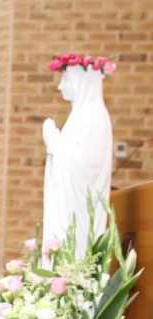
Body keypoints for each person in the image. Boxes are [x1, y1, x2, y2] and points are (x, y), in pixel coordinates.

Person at [42, 54, 113, 257]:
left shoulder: (94, 115)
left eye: (66, 80)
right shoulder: (80, 115)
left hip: (80, 211)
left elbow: (87, 167)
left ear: (81, 82)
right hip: (70, 205)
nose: (60, 86)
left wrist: (54, 144)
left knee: (76, 253)